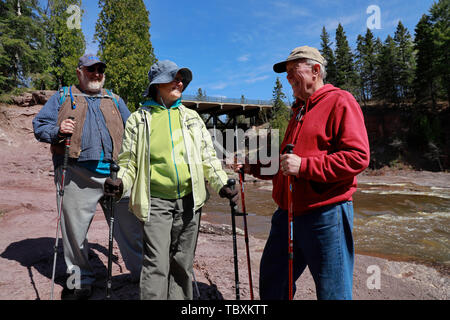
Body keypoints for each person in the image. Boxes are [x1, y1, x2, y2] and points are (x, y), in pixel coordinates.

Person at [235, 46, 370, 300]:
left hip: (326, 215)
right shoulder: (298, 110)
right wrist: (251, 167)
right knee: (273, 283)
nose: (287, 78)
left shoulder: (341, 101)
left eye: (292, 71)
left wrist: (305, 166)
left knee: (333, 293)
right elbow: (286, 161)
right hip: (286, 216)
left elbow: (358, 157)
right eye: (285, 73)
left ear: (315, 70)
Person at [104, 60, 239, 300]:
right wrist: (120, 182)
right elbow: (128, 162)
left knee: (182, 263)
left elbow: (207, 157)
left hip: (190, 201)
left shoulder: (192, 118)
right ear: (157, 84)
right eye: (173, 78)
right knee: (156, 263)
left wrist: (221, 184)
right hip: (155, 201)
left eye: (181, 78)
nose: (179, 82)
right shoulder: (139, 119)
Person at [33, 54, 143, 300]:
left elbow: (135, 131)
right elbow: (40, 125)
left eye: (100, 70)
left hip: (117, 175)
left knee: (131, 228)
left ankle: (144, 275)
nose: (96, 74)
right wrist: (57, 131)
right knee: (75, 233)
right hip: (75, 173)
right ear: (79, 72)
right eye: (91, 69)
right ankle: (79, 281)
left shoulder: (114, 99)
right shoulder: (63, 97)